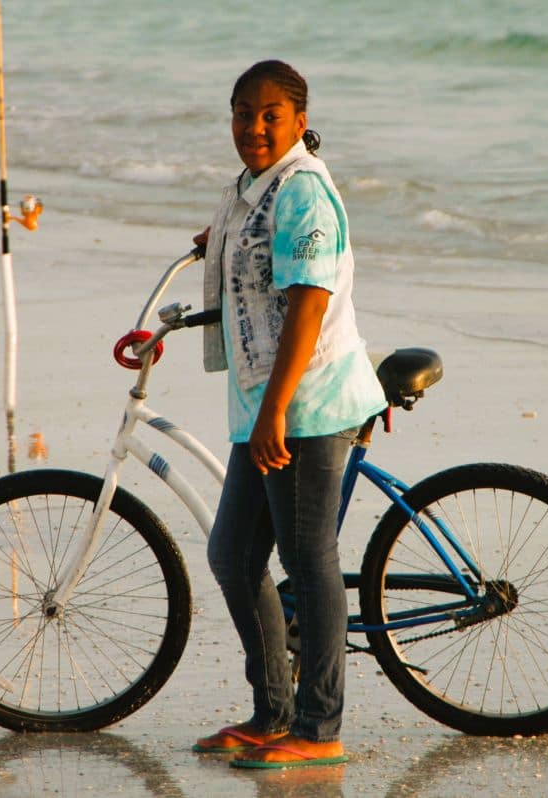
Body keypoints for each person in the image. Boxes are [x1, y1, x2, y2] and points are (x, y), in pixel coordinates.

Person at [190, 60, 387, 769]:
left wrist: (275, 409)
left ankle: (319, 727)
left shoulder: (303, 191)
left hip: (306, 403)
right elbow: (254, 251)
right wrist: (216, 243)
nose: (255, 127)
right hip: (265, 403)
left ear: (300, 121)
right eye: (244, 113)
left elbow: (310, 304)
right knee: (234, 557)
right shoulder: (251, 191)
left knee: (308, 561)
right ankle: (272, 713)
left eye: (271, 115)